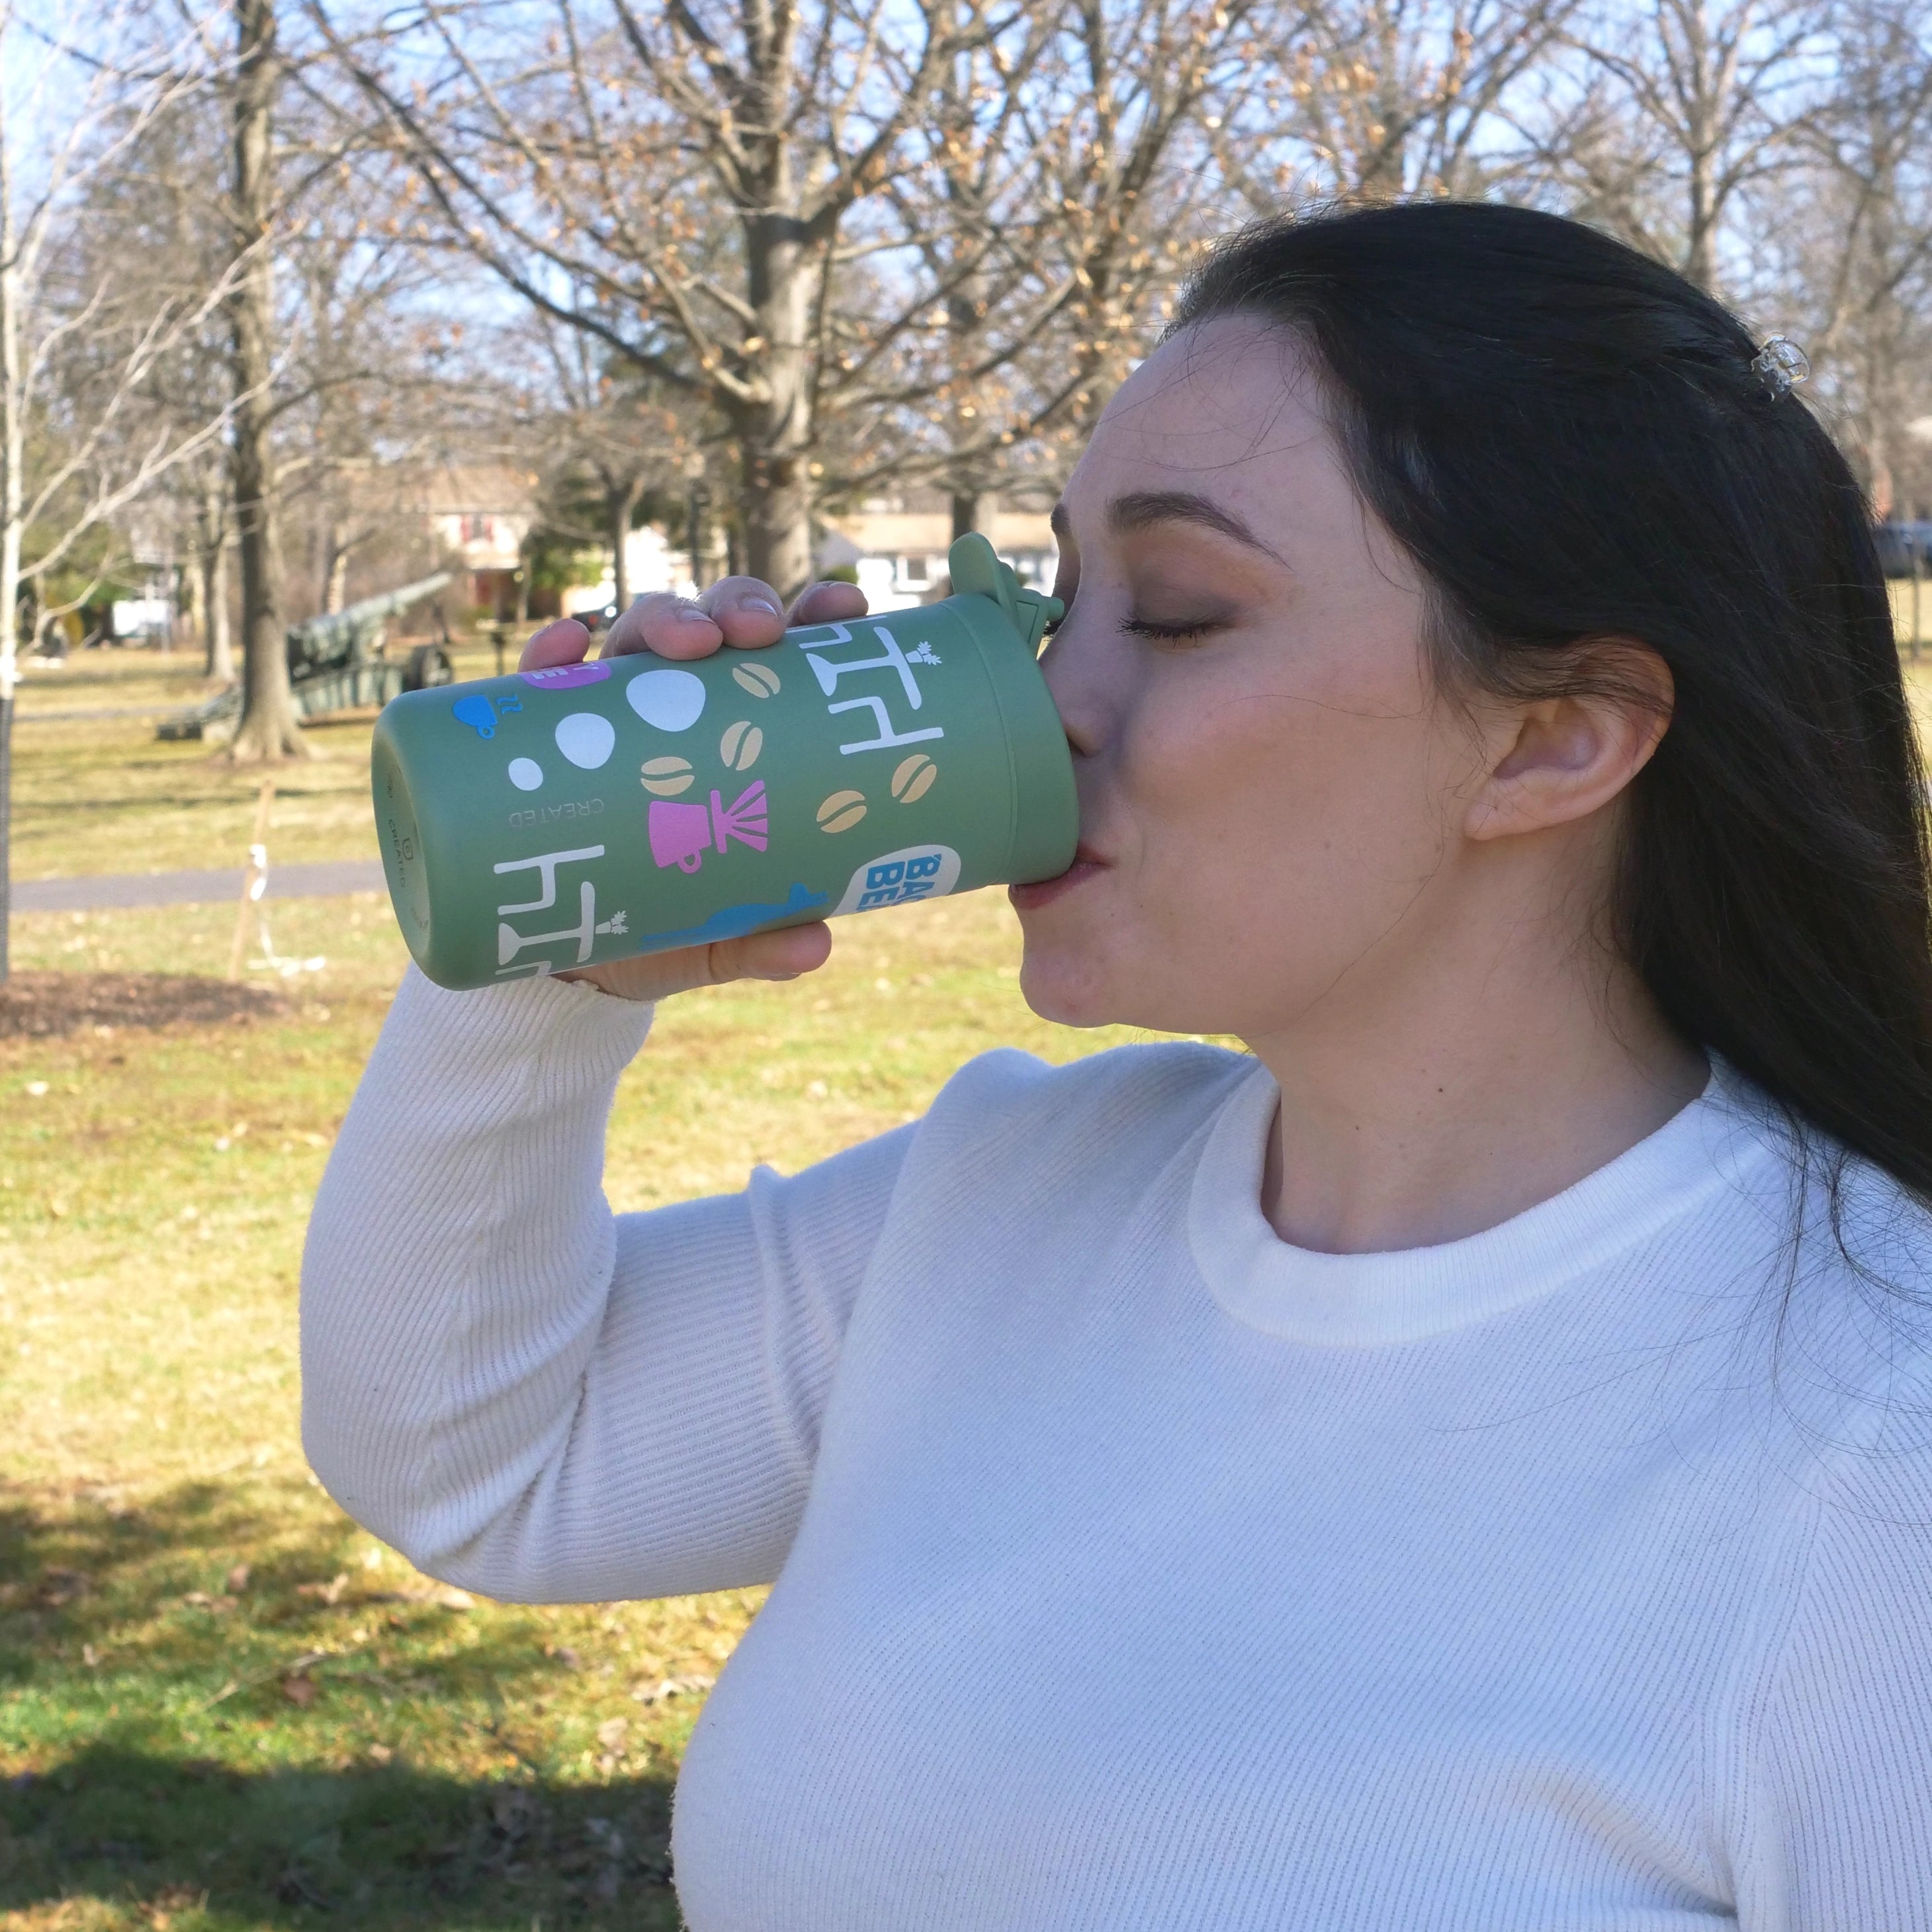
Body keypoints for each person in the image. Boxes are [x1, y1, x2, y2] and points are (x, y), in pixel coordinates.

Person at [302, 201, 1932, 1929]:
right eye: (1062, 592)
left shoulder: (1874, 1461)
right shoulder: (1012, 1196)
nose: (1050, 693)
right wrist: (551, 970)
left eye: (1172, 613)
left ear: (1556, 737)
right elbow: (483, 1462)